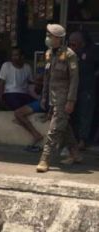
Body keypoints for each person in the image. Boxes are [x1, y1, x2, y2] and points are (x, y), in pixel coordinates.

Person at [36, 24, 81, 173]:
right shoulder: (48, 54)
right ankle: (75, 153)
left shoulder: (69, 55)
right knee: (64, 125)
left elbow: (74, 79)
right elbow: (46, 78)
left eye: (50, 35)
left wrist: (71, 100)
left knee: (54, 129)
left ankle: (45, 158)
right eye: (47, 35)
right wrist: (44, 97)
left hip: (64, 98)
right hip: (52, 97)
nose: (48, 38)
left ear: (58, 38)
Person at [68, 32, 97, 150]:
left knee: (85, 114)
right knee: (73, 115)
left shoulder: (93, 50)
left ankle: (82, 141)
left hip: (88, 88)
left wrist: (95, 75)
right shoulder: (71, 53)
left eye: (73, 42)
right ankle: (72, 140)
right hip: (74, 88)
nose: (71, 45)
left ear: (81, 42)